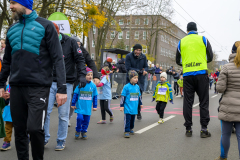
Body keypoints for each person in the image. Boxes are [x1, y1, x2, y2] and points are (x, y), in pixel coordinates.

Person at [0, 1, 68, 159]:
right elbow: (7, 61)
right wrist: (2, 84)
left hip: (39, 87)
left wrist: (62, 89)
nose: (10, 7)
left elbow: (58, 59)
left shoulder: (46, 26)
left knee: (35, 129)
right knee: (20, 130)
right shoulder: (11, 30)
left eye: (13, 3)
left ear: (25, 3)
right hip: (16, 88)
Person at [44, 23, 86, 151]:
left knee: (63, 114)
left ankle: (61, 140)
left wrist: (82, 75)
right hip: (49, 82)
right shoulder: (46, 41)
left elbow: (80, 60)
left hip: (66, 82)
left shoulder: (71, 42)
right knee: (45, 112)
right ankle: (44, 138)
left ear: (57, 33)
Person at [176, 22, 213, 138]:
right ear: (196, 30)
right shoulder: (203, 39)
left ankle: (188, 129)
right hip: (201, 74)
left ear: (187, 30)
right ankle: (204, 129)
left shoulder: (181, 42)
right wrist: (201, 61)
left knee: (188, 102)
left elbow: (178, 60)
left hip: (187, 75)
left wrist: (187, 63)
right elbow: (210, 57)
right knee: (203, 101)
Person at [215, 41, 240, 160]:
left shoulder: (226, 67)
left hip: (228, 107)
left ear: (231, 52)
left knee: (225, 135)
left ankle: (223, 157)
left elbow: (220, 89)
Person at [69, 35, 100, 127]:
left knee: (74, 97)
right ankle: (66, 117)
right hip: (69, 76)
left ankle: (70, 117)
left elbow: (90, 62)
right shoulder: (66, 49)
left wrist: (96, 76)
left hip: (80, 77)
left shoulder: (82, 50)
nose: (78, 47)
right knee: (70, 99)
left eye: (80, 44)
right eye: (76, 45)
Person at [71, 67, 98, 140]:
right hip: (80, 106)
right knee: (79, 118)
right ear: (84, 76)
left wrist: (95, 106)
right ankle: (78, 130)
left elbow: (95, 96)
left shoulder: (93, 86)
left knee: (86, 121)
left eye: (91, 75)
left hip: (88, 108)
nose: (90, 76)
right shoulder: (80, 84)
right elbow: (75, 94)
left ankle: (84, 131)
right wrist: (73, 103)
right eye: (88, 75)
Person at [125, 44, 148, 120]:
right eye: (137, 50)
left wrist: (145, 71)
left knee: (138, 96)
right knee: (130, 96)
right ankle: (128, 111)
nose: (138, 52)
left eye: (140, 50)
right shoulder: (129, 56)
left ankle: (138, 111)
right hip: (130, 79)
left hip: (140, 79)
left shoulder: (143, 57)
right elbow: (128, 68)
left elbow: (146, 66)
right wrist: (139, 71)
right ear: (134, 50)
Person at [120, 70, 143, 138]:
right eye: (134, 78)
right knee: (127, 119)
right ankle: (126, 131)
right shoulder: (126, 87)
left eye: (137, 78)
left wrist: (141, 104)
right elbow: (123, 96)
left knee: (133, 119)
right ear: (130, 78)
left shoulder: (137, 87)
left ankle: (131, 128)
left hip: (134, 107)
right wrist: (121, 105)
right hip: (127, 107)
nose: (136, 79)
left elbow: (139, 96)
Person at [1, 85, 12, 151]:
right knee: (7, 128)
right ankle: (7, 142)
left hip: (19, 111)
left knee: (21, 128)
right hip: (8, 111)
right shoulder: (7, 86)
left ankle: (25, 138)